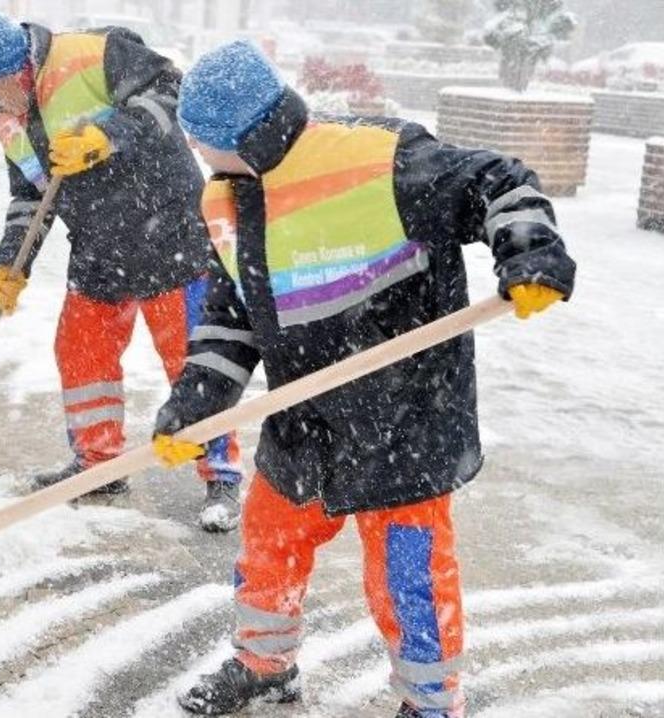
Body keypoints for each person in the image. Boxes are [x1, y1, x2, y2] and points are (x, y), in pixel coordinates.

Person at [151, 42, 576, 717]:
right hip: (305, 418)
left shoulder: (382, 160)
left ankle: (430, 703)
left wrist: (529, 251)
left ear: (248, 137)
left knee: (408, 574)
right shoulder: (226, 200)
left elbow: (498, 179)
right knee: (270, 543)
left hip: (405, 413)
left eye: (206, 143)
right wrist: (193, 406)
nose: (199, 154)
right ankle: (266, 664)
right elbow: (232, 321)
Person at [0, 9, 244, 530]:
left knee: (192, 357)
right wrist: (10, 263)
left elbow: (169, 94)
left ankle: (220, 473)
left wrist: (106, 135)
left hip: (168, 229)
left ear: (20, 70)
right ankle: (98, 463)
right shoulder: (11, 123)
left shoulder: (94, 53)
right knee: (81, 347)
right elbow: (29, 197)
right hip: (98, 244)